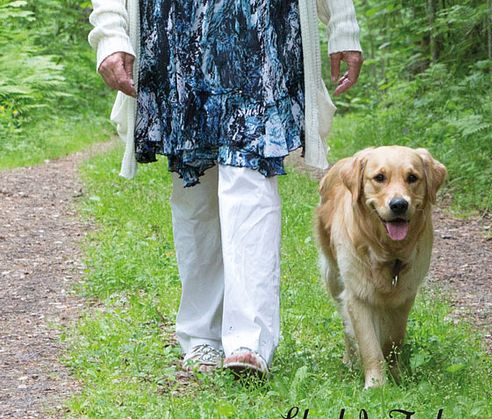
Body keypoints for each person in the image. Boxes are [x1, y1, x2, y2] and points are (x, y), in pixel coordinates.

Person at [88, 0, 363, 376]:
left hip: (259, 23)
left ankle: (249, 339)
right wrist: (110, 32)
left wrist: (343, 23)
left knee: (249, 170)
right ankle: (202, 336)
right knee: (195, 185)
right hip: (175, 28)